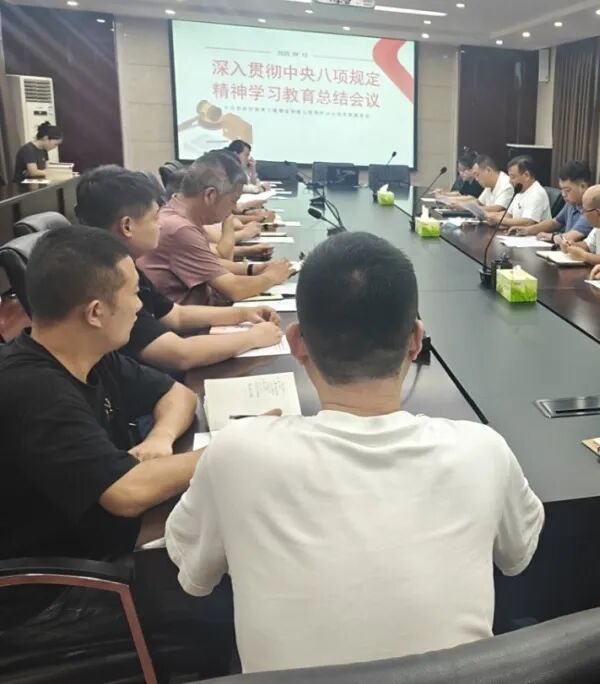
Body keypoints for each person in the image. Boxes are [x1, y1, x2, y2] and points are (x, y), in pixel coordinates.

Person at [165, 232, 545, 673]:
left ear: (297, 342)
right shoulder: (484, 451)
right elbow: (516, 558)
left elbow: (195, 576)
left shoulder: (235, 454)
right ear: (416, 340)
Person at [0, 227, 237, 669]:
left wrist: (160, 438)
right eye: (132, 293)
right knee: (230, 596)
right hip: (54, 594)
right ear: (95, 312)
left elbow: (178, 395)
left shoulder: (88, 355)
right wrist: (240, 447)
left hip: (99, 545)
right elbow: (127, 493)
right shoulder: (34, 390)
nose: (141, 305)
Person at [76, 165, 284, 371]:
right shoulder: (107, 282)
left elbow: (176, 315)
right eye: (154, 218)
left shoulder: (123, 263)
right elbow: (179, 354)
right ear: (127, 226)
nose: (160, 225)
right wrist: (253, 337)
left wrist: (244, 314)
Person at [138, 150, 292, 305]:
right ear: (210, 195)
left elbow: (208, 263)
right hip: (195, 318)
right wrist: (273, 276)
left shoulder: (176, 212)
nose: (234, 208)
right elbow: (234, 289)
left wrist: (255, 269)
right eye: (233, 200)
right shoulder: (180, 229)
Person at [509, 159, 592, 243]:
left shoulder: (592, 209)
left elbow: (571, 236)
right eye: (562, 189)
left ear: (583, 186)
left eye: (567, 190)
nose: (563, 194)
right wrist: (527, 230)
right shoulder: (572, 203)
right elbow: (555, 222)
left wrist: (551, 236)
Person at [485, 155, 551, 228]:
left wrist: (499, 219)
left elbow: (528, 222)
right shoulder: (519, 190)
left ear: (526, 175)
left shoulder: (537, 193)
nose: (510, 181)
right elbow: (509, 215)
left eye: (513, 177)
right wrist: (488, 216)